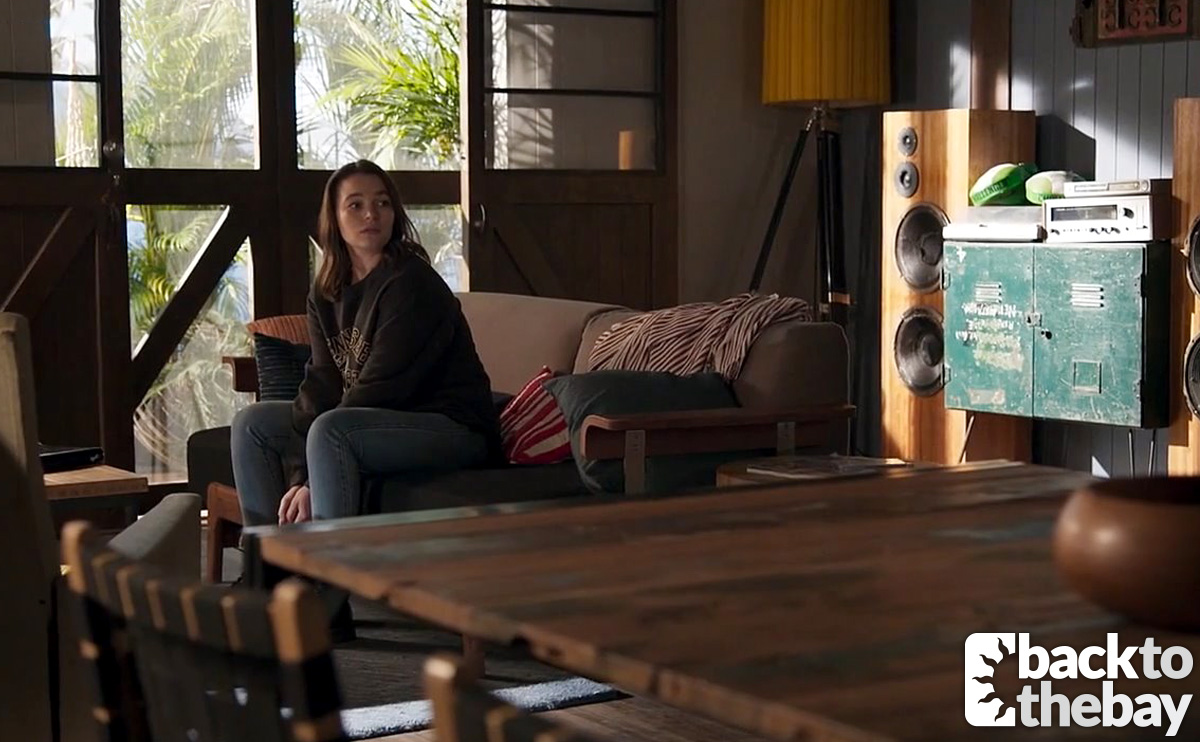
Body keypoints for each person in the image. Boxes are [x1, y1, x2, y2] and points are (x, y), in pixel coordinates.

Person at [231, 158, 501, 542]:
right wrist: (300, 474)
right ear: (334, 218)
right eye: (355, 204)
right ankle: (268, 566)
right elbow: (322, 382)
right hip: (379, 421)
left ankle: (330, 575)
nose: (371, 214)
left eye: (382, 203)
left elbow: (382, 387)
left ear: (394, 213)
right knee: (253, 423)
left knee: (332, 431)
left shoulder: (412, 283)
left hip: (451, 427)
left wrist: (307, 480)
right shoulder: (326, 292)